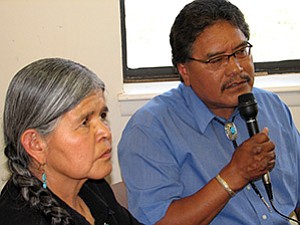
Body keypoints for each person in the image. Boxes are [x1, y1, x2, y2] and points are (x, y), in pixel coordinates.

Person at [118, 0, 300, 224]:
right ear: (184, 71)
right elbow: (160, 221)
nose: (236, 69)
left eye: (241, 52)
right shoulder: (149, 130)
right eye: (216, 60)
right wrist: (234, 175)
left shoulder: (272, 106)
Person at [0, 58, 143, 225]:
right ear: (36, 144)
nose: (105, 132)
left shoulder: (91, 185)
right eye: (84, 122)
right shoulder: (21, 219)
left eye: (102, 116)